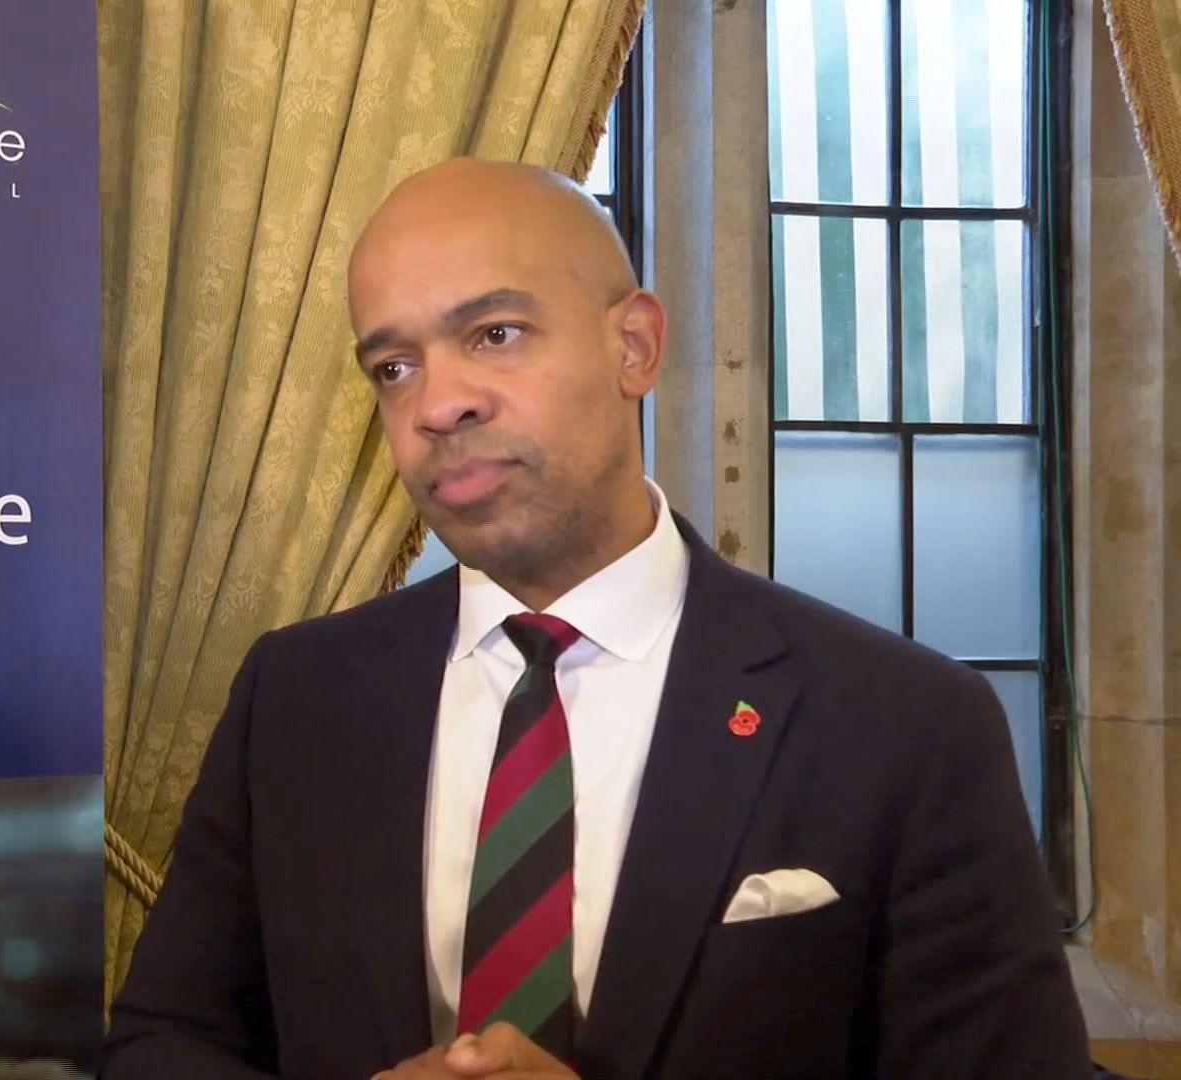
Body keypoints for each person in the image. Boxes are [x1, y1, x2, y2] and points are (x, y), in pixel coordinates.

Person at [100, 160, 1088, 1079]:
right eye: (394, 367)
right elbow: (163, 1045)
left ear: (635, 346)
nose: (438, 405)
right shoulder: (296, 698)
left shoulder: (902, 722)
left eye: (493, 334)